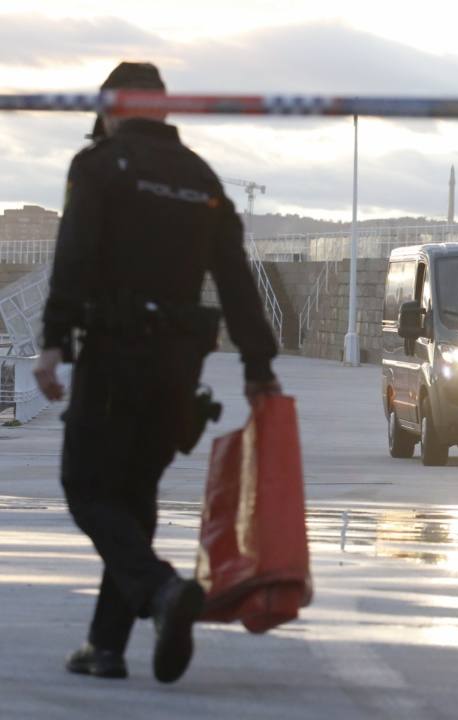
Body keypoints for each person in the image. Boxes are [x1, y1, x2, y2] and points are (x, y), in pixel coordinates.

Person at [32, 61, 281, 684]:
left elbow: (75, 255)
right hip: (179, 365)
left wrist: (54, 341)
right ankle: (106, 646)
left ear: (111, 109)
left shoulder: (99, 167)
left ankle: (165, 593)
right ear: (165, 109)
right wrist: (258, 365)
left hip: (116, 352)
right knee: (134, 500)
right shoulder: (202, 179)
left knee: (86, 487)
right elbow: (235, 277)